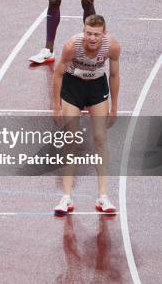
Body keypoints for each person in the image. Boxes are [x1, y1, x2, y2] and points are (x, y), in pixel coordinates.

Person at [52, 14, 120, 214]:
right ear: (84, 32)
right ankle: (66, 197)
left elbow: (115, 76)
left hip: (97, 87)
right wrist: (56, 106)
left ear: (103, 34)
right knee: (70, 139)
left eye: (96, 35)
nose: (92, 38)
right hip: (73, 86)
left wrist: (114, 107)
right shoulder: (72, 47)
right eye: (89, 33)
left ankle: (103, 196)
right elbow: (57, 74)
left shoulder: (112, 47)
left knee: (100, 138)